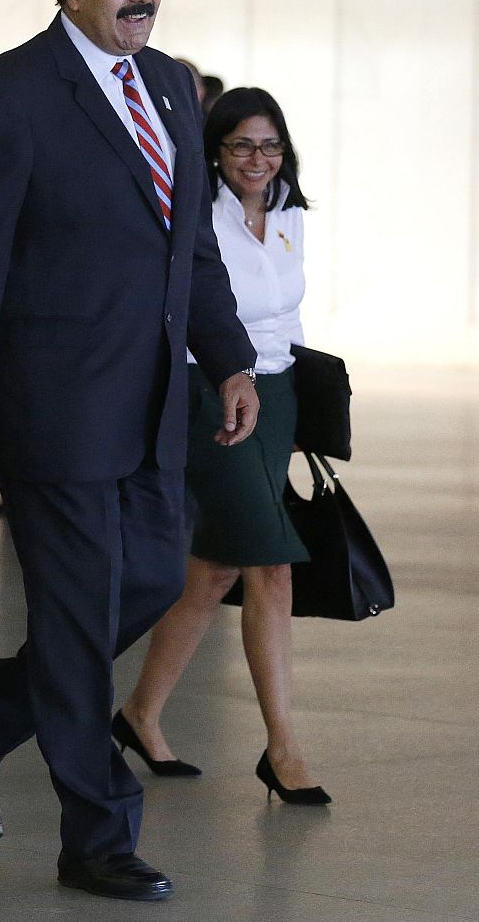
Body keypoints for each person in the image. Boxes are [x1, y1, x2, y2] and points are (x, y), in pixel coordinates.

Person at [0, 0, 259, 902]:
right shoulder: (13, 93)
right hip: (52, 407)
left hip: (152, 404)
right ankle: (99, 834)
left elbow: (187, 251)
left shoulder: (167, 86)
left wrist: (230, 360)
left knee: (153, 582)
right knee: (73, 624)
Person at [117, 87, 330, 805]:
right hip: (213, 391)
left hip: (280, 396)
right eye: (241, 144)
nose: (257, 159)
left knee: (212, 570)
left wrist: (305, 405)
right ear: (215, 148)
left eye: (269, 145)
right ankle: (284, 746)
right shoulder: (196, 211)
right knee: (271, 564)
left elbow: (291, 310)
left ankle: (140, 712)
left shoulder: (292, 209)